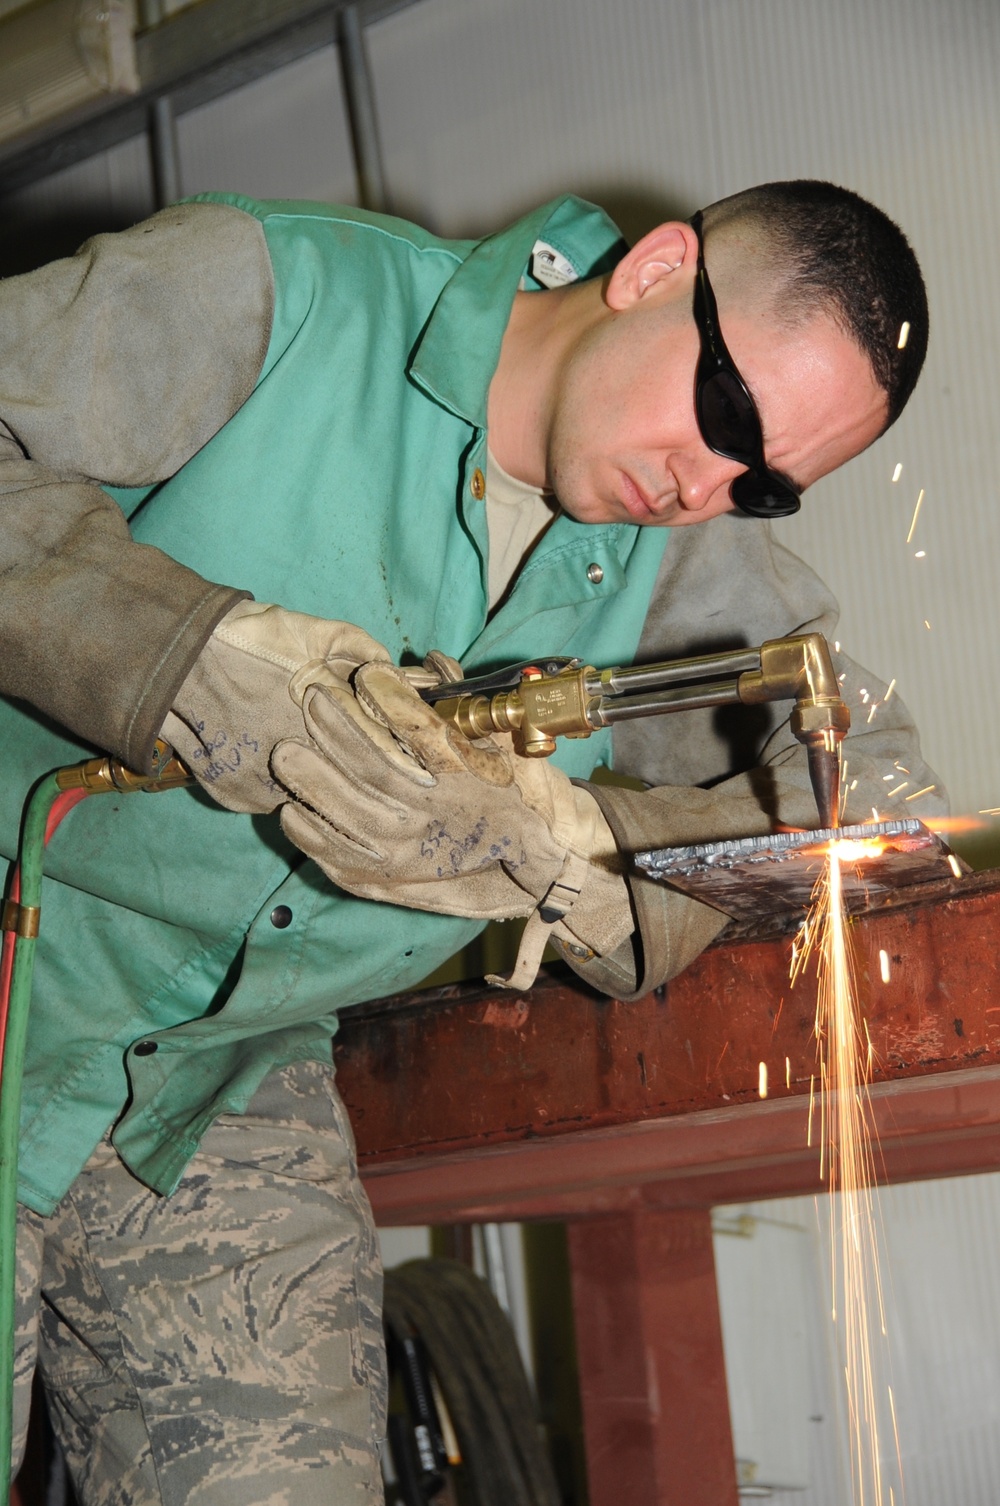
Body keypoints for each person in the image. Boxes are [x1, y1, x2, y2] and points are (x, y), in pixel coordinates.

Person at [0, 179, 942, 1503]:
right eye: (725, 416)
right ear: (656, 269)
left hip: (215, 1078)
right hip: (15, 947)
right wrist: (183, 653)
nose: (700, 489)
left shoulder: (673, 557)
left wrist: (594, 855)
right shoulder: (279, 296)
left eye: (763, 481)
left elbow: (873, 809)